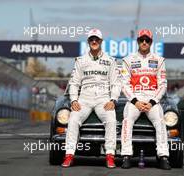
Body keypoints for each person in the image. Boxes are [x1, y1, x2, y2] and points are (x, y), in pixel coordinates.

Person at [62, 28, 120, 168]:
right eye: (91, 39)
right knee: (73, 119)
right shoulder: (80, 61)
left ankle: (110, 155)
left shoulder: (111, 60)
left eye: (96, 39)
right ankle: (69, 155)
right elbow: (74, 83)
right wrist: (74, 100)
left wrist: (113, 100)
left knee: (111, 120)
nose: (94, 41)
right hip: (85, 98)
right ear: (88, 42)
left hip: (103, 98)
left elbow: (116, 83)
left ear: (101, 41)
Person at [120, 29, 171, 170]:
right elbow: (124, 84)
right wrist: (135, 101)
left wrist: (152, 102)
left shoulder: (159, 60)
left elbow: (163, 84)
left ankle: (163, 156)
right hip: (134, 99)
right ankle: (126, 156)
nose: (144, 42)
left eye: (147, 40)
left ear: (151, 42)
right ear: (137, 41)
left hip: (152, 98)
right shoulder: (128, 60)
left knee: (161, 121)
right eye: (141, 40)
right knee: (127, 120)